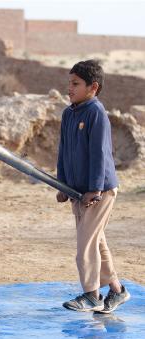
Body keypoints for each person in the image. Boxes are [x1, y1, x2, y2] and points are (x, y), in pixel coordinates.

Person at [56, 60, 130, 314]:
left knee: (85, 245)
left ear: (93, 87)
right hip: (78, 192)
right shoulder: (69, 114)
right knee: (96, 242)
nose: (69, 88)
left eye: (75, 84)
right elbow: (63, 151)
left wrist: (96, 190)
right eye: (69, 83)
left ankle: (92, 295)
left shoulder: (95, 113)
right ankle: (118, 291)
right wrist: (62, 184)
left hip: (100, 192)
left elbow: (100, 154)